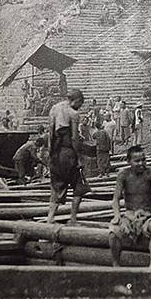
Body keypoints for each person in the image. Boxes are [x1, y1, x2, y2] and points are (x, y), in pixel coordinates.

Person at [109, 145, 151, 268]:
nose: (141, 163)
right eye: (137, 161)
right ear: (129, 161)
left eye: (143, 160)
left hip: (147, 214)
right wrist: (117, 215)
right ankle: (116, 264)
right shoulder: (123, 175)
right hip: (129, 215)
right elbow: (116, 199)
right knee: (113, 233)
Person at [47, 89, 91, 224]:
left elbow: (50, 134)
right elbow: (74, 138)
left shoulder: (54, 109)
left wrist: (51, 154)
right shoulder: (73, 113)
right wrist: (78, 157)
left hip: (56, 153)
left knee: (57, 186)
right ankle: (73, 219)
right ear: (77, 101)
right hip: (68, 153)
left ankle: (50, 218)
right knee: (79, 186)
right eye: (80, 104)